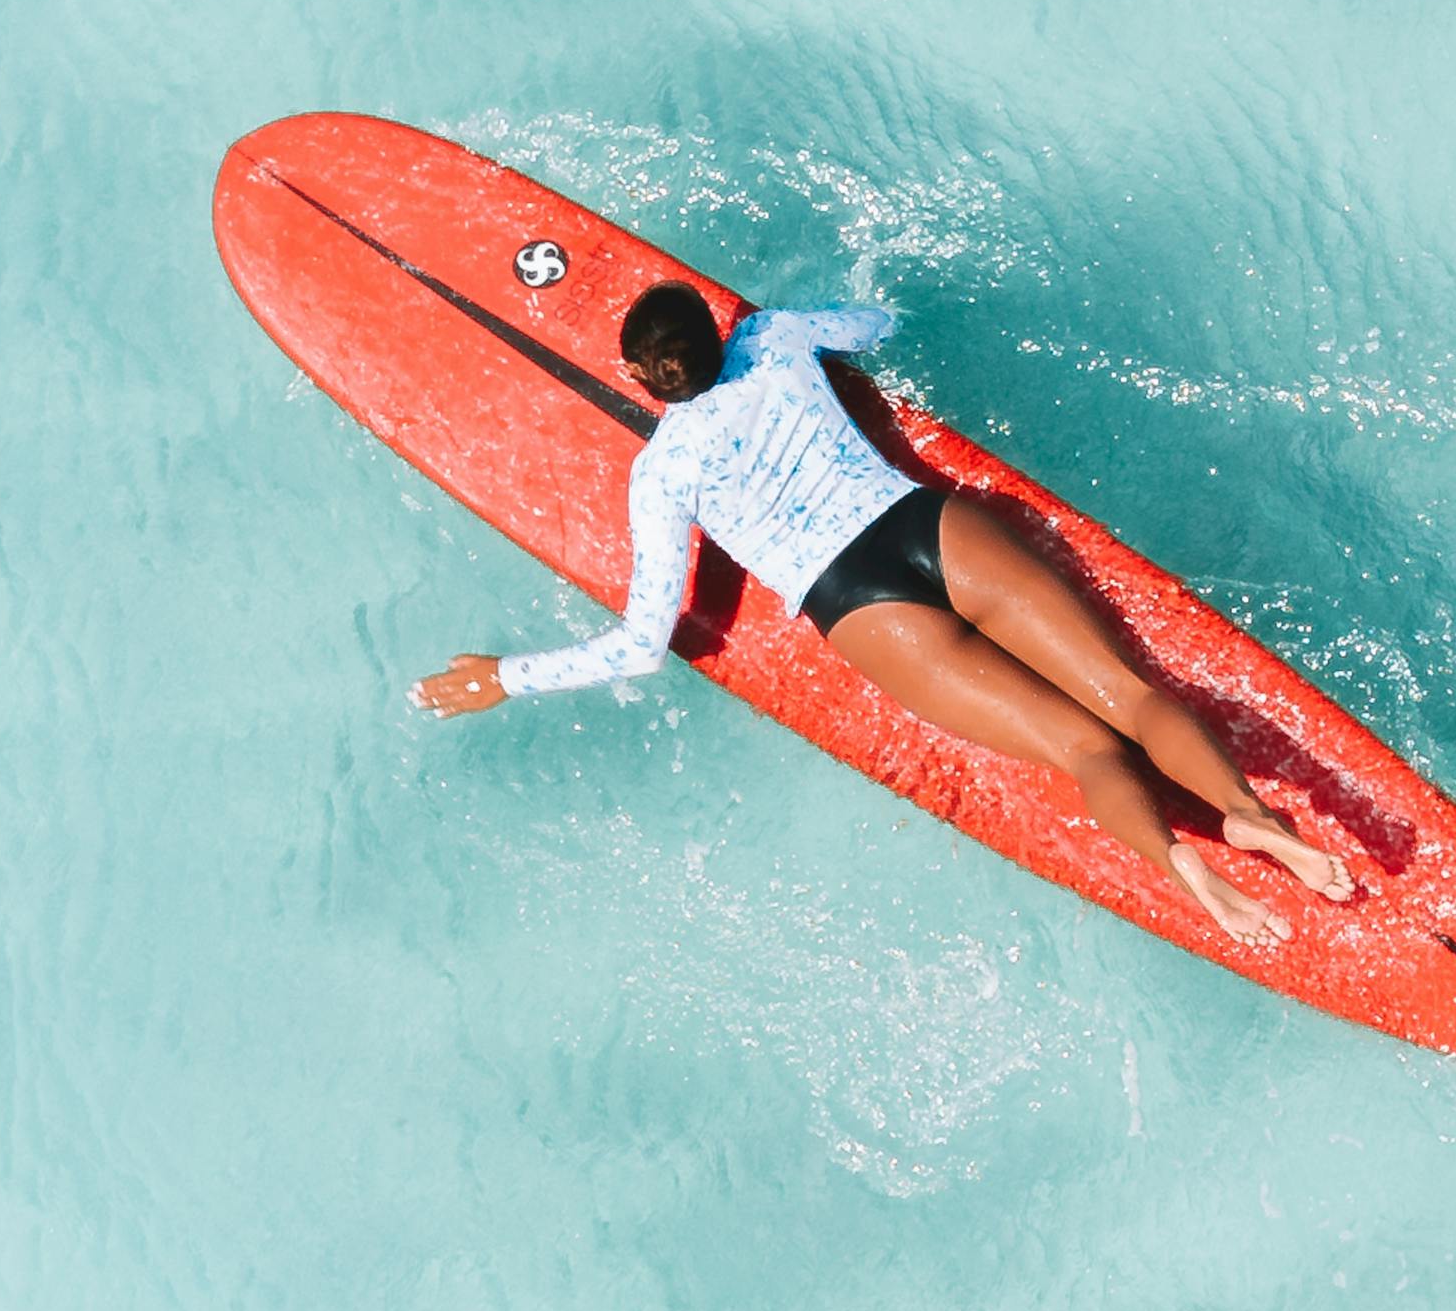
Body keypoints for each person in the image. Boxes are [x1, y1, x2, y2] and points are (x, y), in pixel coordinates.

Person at [415, 280, 1364, 946]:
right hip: (923, 525)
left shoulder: (664, 470)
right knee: (1130, 692)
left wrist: (506, 675)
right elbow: (878, 322)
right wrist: (785, 321)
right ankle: (1247, 811)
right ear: (715, 336)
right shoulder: (778, 339)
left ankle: (1184, 864)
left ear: (640, 380)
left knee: (1090, 751)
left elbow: (643, 640)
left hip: (857, 601)